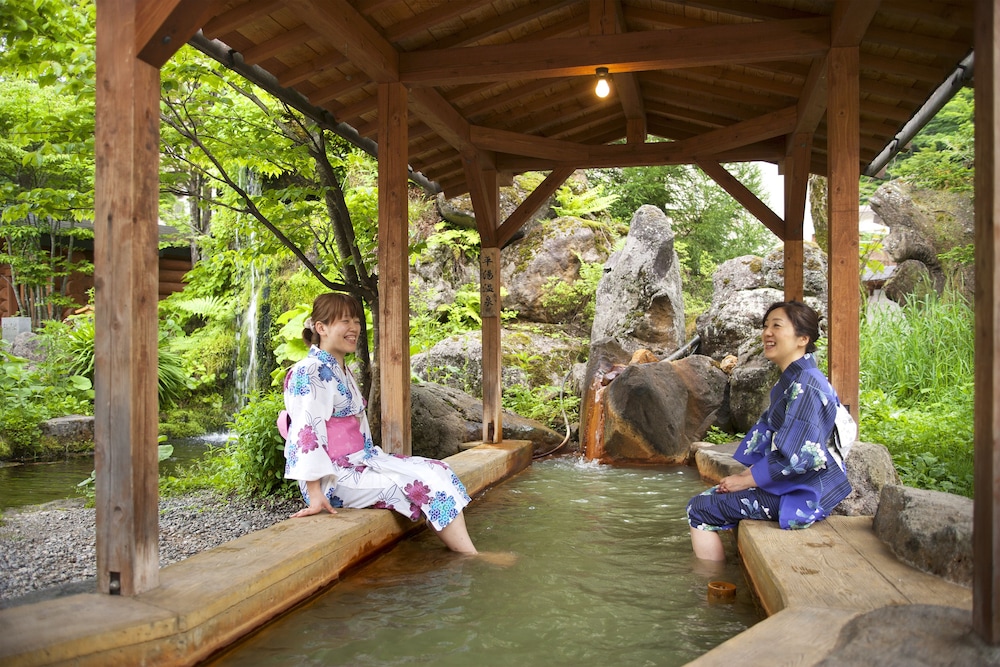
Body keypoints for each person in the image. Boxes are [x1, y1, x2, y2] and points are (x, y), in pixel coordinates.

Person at [279, 292, 479, 555]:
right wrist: (315, 494)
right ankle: (470, 557)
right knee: (420, 485)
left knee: (438, 470)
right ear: (321, 327)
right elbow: (305, 431)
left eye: (356, 321)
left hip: (361, 461)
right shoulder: (310, 371)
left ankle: (467, 552)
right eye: (345, 321)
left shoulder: (340, 368)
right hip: (331, 478)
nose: (354, 328)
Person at [687, 300, 853, 561]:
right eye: (765, 326)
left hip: (803, 495)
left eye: (777, 326)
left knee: (700, 509)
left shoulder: (806, 385)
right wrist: (749, 475)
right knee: (711, 497)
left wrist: (745, 480)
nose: (767, 333)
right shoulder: (797, 380)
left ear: (802, 338)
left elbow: (799, 456)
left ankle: (711, 586)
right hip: (796, 484)